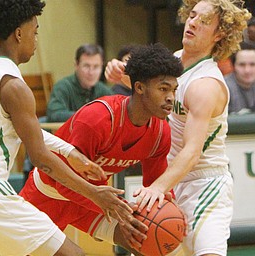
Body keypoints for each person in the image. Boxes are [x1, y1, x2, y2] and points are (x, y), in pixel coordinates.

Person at [0, 1, 134, 255]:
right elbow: (41, 158)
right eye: (35, 31)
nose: (36, 39)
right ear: (19, 33)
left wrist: (71, 152)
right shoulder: (14, 85)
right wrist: (94, 193)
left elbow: (20, 129)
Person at [105, 1, 251, 256]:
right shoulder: (171, 63)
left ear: (220, 34)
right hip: (172, 178)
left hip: (204, 183)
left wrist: (158, 187)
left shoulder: (206, 84)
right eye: (192, 15)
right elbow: (146, 91)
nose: (193, 22)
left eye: (204, 21)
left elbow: (192, 151)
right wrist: (121, 75)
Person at [18, 43, 184, 255]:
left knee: (147, 239)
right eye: (163, 89)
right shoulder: (97, 119)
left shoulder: (161, 133)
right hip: (50, 193)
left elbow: (155, 185)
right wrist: (116, 207)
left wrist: (169, 207)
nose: (170, 97)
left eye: (173, 90)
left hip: (94, 199)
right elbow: (64, 182)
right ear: (139, 87)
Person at [46, 44, 113, 122]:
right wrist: (89, 116)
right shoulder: (62, 87)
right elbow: (54, 114)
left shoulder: (104, 90)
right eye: (86, 66)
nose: (91, 72)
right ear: (76, 65)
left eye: (96, 67)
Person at [225, 42, 255, 113]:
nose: (247, 70)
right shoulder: (223, 88)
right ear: (233, 66)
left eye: (252, 64)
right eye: (242, 65)